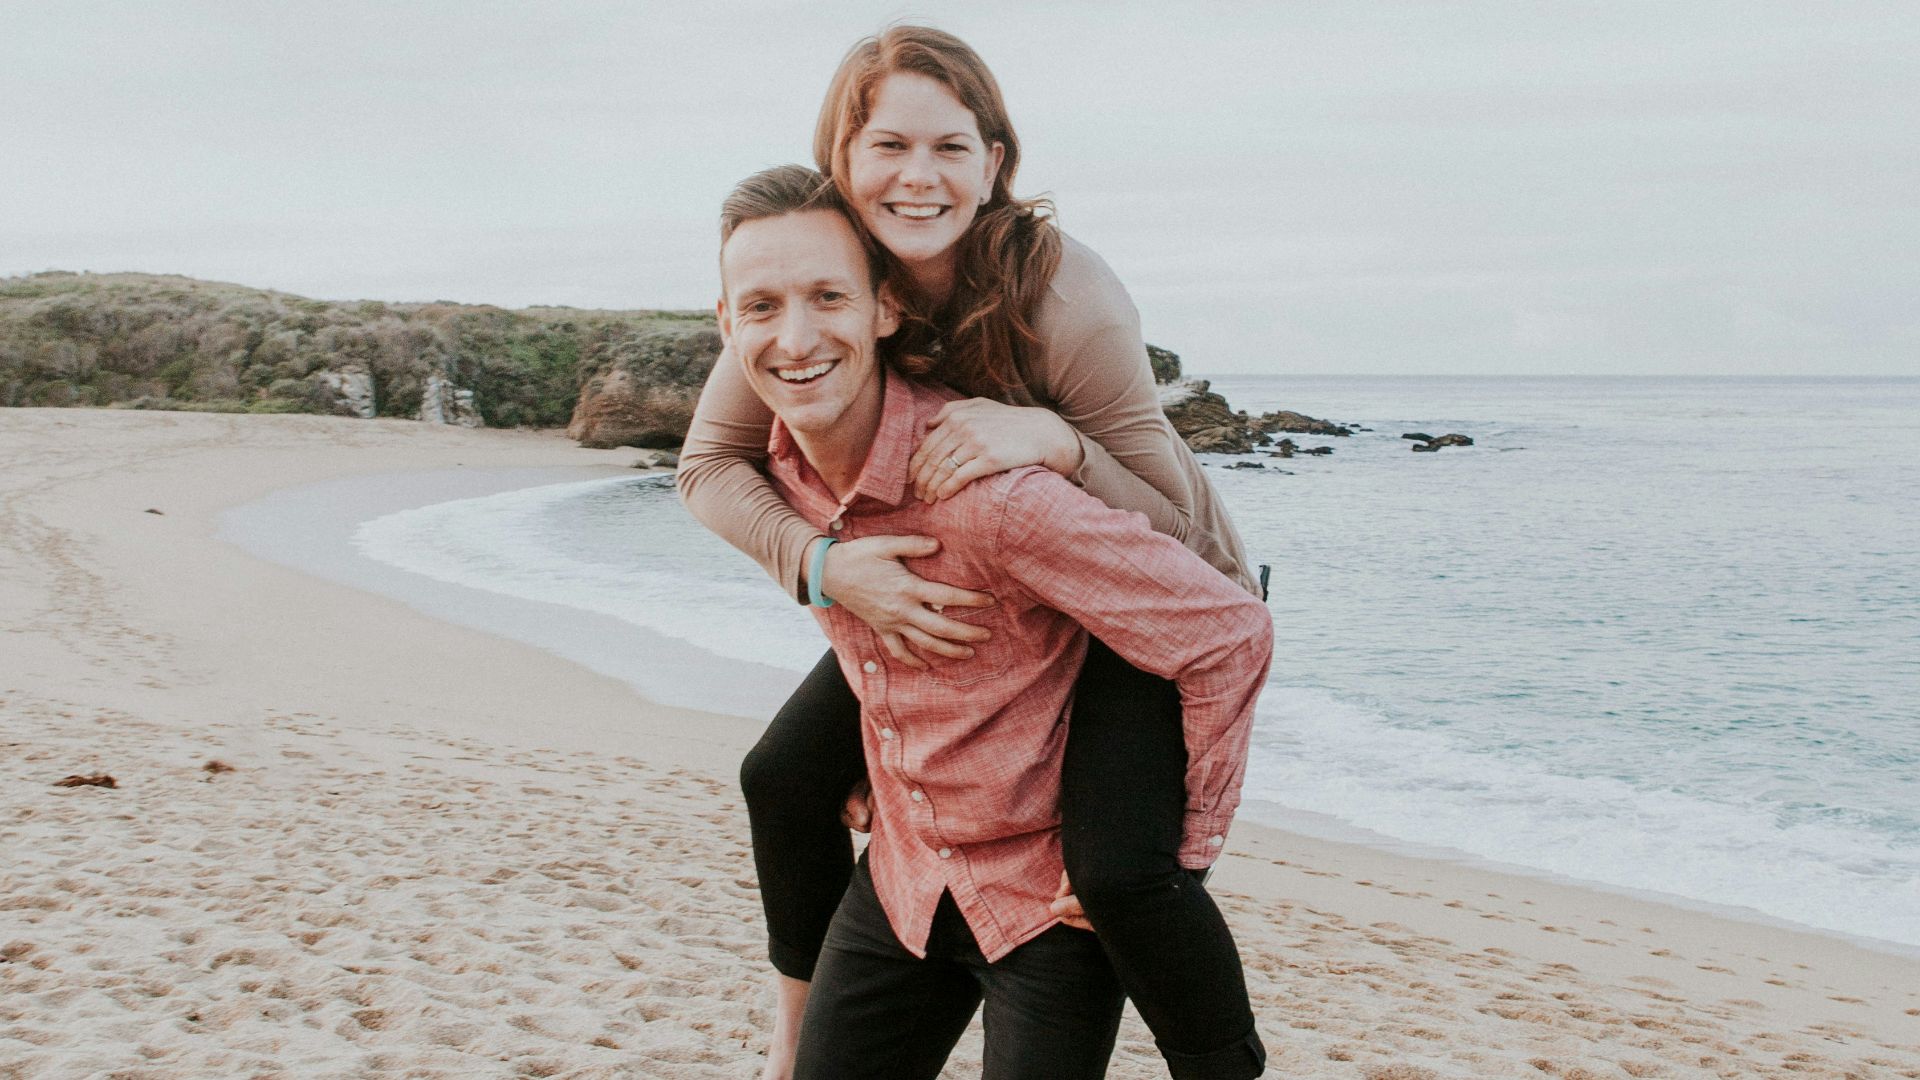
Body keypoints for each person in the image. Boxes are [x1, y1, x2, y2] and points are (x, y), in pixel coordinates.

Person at [681, 26, 1269, 1080]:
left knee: (1119, 875)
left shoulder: (1060, 291)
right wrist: (827, 567)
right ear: (840, 159)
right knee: (784, 778)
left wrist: (1057, 442)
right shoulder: (814, 280)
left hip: (1146, 581)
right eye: (888, 147)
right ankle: (797, 1037)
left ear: (995, 162)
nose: (918, 177)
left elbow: (1174, 536)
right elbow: (711, 469)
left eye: (952, 147)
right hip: (996, 572)